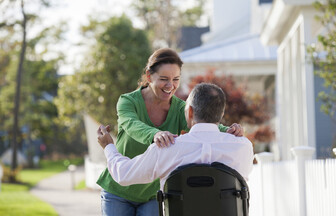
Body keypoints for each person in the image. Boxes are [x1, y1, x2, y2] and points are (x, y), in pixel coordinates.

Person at [96, 48, 244, 216]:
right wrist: (154, 134)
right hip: (118, 191)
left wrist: (229, 130)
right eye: (164, 79)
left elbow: (202, 123)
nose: (170, 85)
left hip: (152, 194)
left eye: (176, 79)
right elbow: (131, 125)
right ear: (149, 76)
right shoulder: (128, 101)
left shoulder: (181, 109)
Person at [97, 83, 254, 192]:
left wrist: (108, 146)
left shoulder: (167, 148)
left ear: (190, 112)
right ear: (220, 115)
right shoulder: (243, 147)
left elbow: (124, 174)